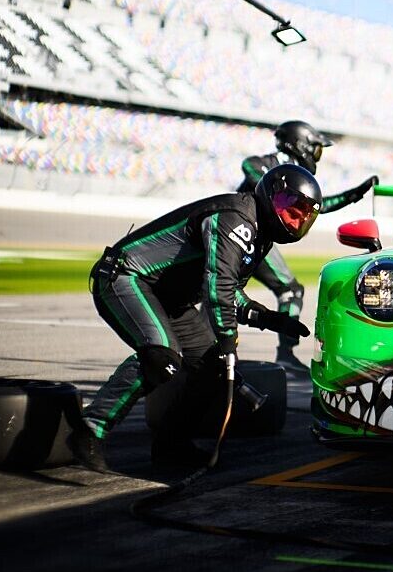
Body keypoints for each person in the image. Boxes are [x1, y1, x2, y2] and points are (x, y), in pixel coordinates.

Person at [68, 164, 321, 473]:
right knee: (161, 356)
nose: (294, 220)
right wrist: (228, 338)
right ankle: (89, 429)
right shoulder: (236, 217)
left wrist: (268, 318)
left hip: (170, 297)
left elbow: (227, 291)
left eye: (303, 216)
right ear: (271, 195)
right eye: (290, 209)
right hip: (126, 277)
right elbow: (219, 285)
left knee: (213, 365)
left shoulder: (260, 235)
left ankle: (171, 446)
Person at [238, 120, 378, 373]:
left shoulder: (291, 173)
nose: (317, 156)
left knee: (233, 290)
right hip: (246, 235)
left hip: (255, 239)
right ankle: (284, 354)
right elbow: (249, 165)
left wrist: (353, 194)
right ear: (300, 144)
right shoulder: (267, 165)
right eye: (315, 149)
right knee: (288, 290)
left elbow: (314, 205)